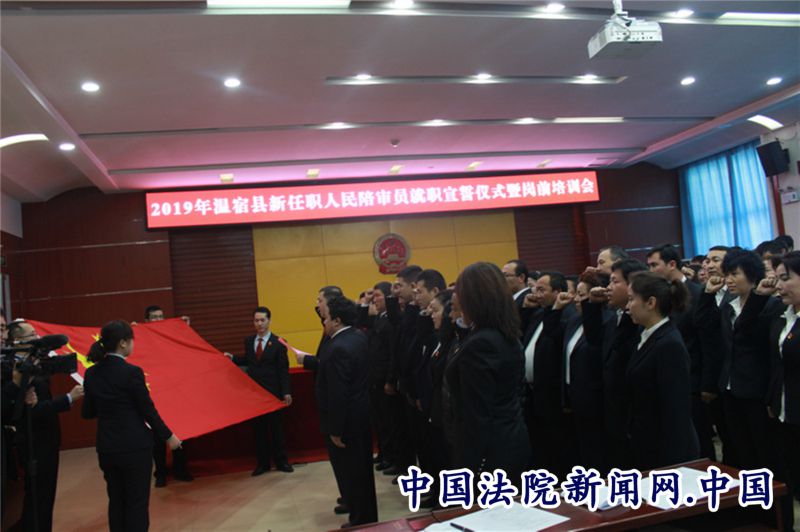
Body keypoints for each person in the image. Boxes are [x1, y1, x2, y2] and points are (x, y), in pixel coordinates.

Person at [82, 320, 181, 532]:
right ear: (123, 343)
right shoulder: (132, 372)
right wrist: (168, 436)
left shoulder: (91, 373)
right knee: (136, 502)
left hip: (107, 447)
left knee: (116, 501)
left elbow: (88, 413)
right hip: (134, 446)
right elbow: (147, 411)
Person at [444, 262, 530, 482]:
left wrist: (471, 465)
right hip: (510, 437)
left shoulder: (481, 344)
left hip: (489, 449)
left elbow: (477, 414)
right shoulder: (505, 334)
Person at [4, 321, 83, 532]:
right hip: (33, 443)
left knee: (46, 498)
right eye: (31, 336)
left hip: (47, 440)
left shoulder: (38, 362)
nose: (37, 339)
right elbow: (32, 410)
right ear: (17, 341)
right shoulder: (12, 369)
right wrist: (68, 398)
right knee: (36, 499)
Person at [625, 272, 700, 469]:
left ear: (651, 303)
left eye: (631, 299)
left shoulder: (668, 344)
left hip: (665, 448)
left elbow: (676, 408)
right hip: (647, 439)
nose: (627, 306)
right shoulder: (647, 335)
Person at [316, 295, 377, 527]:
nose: (324, 322)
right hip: (361, 415)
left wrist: (336, 429)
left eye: (326, 318)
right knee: (362, 471)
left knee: (353, 473)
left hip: (347, 422)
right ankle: (366, 516)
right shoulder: (358, 337)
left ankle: (361, 520)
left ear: (337, 320)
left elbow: (338, 393)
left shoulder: (337, 348)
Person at [582, 258, 647, 471]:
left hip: (632, 414)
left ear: (633, 285)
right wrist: (592, 304)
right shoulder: (615, 318)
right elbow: (595, 340)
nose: (608, 287)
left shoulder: (640, 323)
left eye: (615, 281)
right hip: (613, 411)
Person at [227, 306, 293, 475]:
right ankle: (263, 464)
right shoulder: (249, 341)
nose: (259, 323)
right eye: (256, 320)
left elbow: (283, 370)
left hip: (274, 393)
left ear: (269, 321)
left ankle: (282, 462)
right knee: (259, 431)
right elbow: (249, 360)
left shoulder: (279, 342)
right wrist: (232, 358)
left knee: (277, 430)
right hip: (255, 394)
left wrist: (286, 391)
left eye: (262, 320)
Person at [141, 306, 193, 487]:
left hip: (174, 392)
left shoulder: (169, 335)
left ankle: (181, 470)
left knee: (180, 432)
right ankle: (161, 473)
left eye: (161, 316)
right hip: (155, 393)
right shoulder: (141, 337)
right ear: (147, 321)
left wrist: (184, 328)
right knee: (157, 437)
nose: (158, 320)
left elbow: (184, 350)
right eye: (154, 317)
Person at [768, 252, 800, 527]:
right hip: (785, 412)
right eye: (777, 278)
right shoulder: (783, 316)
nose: (778, 285)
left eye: (786, 279)